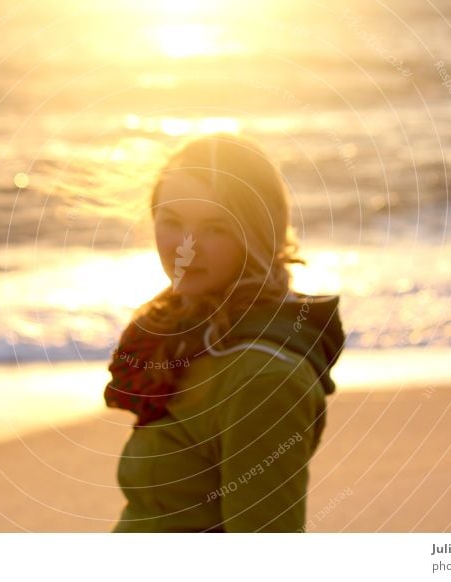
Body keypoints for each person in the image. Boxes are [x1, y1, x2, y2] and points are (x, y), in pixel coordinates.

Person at [104, 133, 345, 532]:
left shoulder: (262, 379)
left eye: (215, 227)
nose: (186, 247)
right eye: (171, 222)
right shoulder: (184, 338)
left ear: (257, 233)